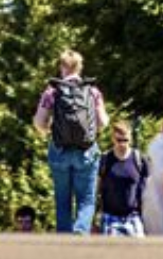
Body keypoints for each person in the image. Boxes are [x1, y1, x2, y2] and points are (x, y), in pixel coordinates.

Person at [34, 49, 110, 234]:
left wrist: (51, 129)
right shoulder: (92, 91)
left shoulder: (52, 91)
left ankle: (64, 241)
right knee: (86, 200)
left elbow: (39, 122)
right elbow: (103, 122)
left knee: (62, 200)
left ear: (62, 67)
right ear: (80, 67)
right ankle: (80, 231)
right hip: (86, 152)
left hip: (59, 152)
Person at [98, 120, 148, 237]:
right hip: (110, 217)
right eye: (119, 140)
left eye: (125, 140)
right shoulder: (105, 160)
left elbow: (147, 190)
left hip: (133, 216)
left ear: (130, 139)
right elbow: (96, 189)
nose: (122, 144)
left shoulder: (139, 160)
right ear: (113, 139)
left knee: (142, 252)